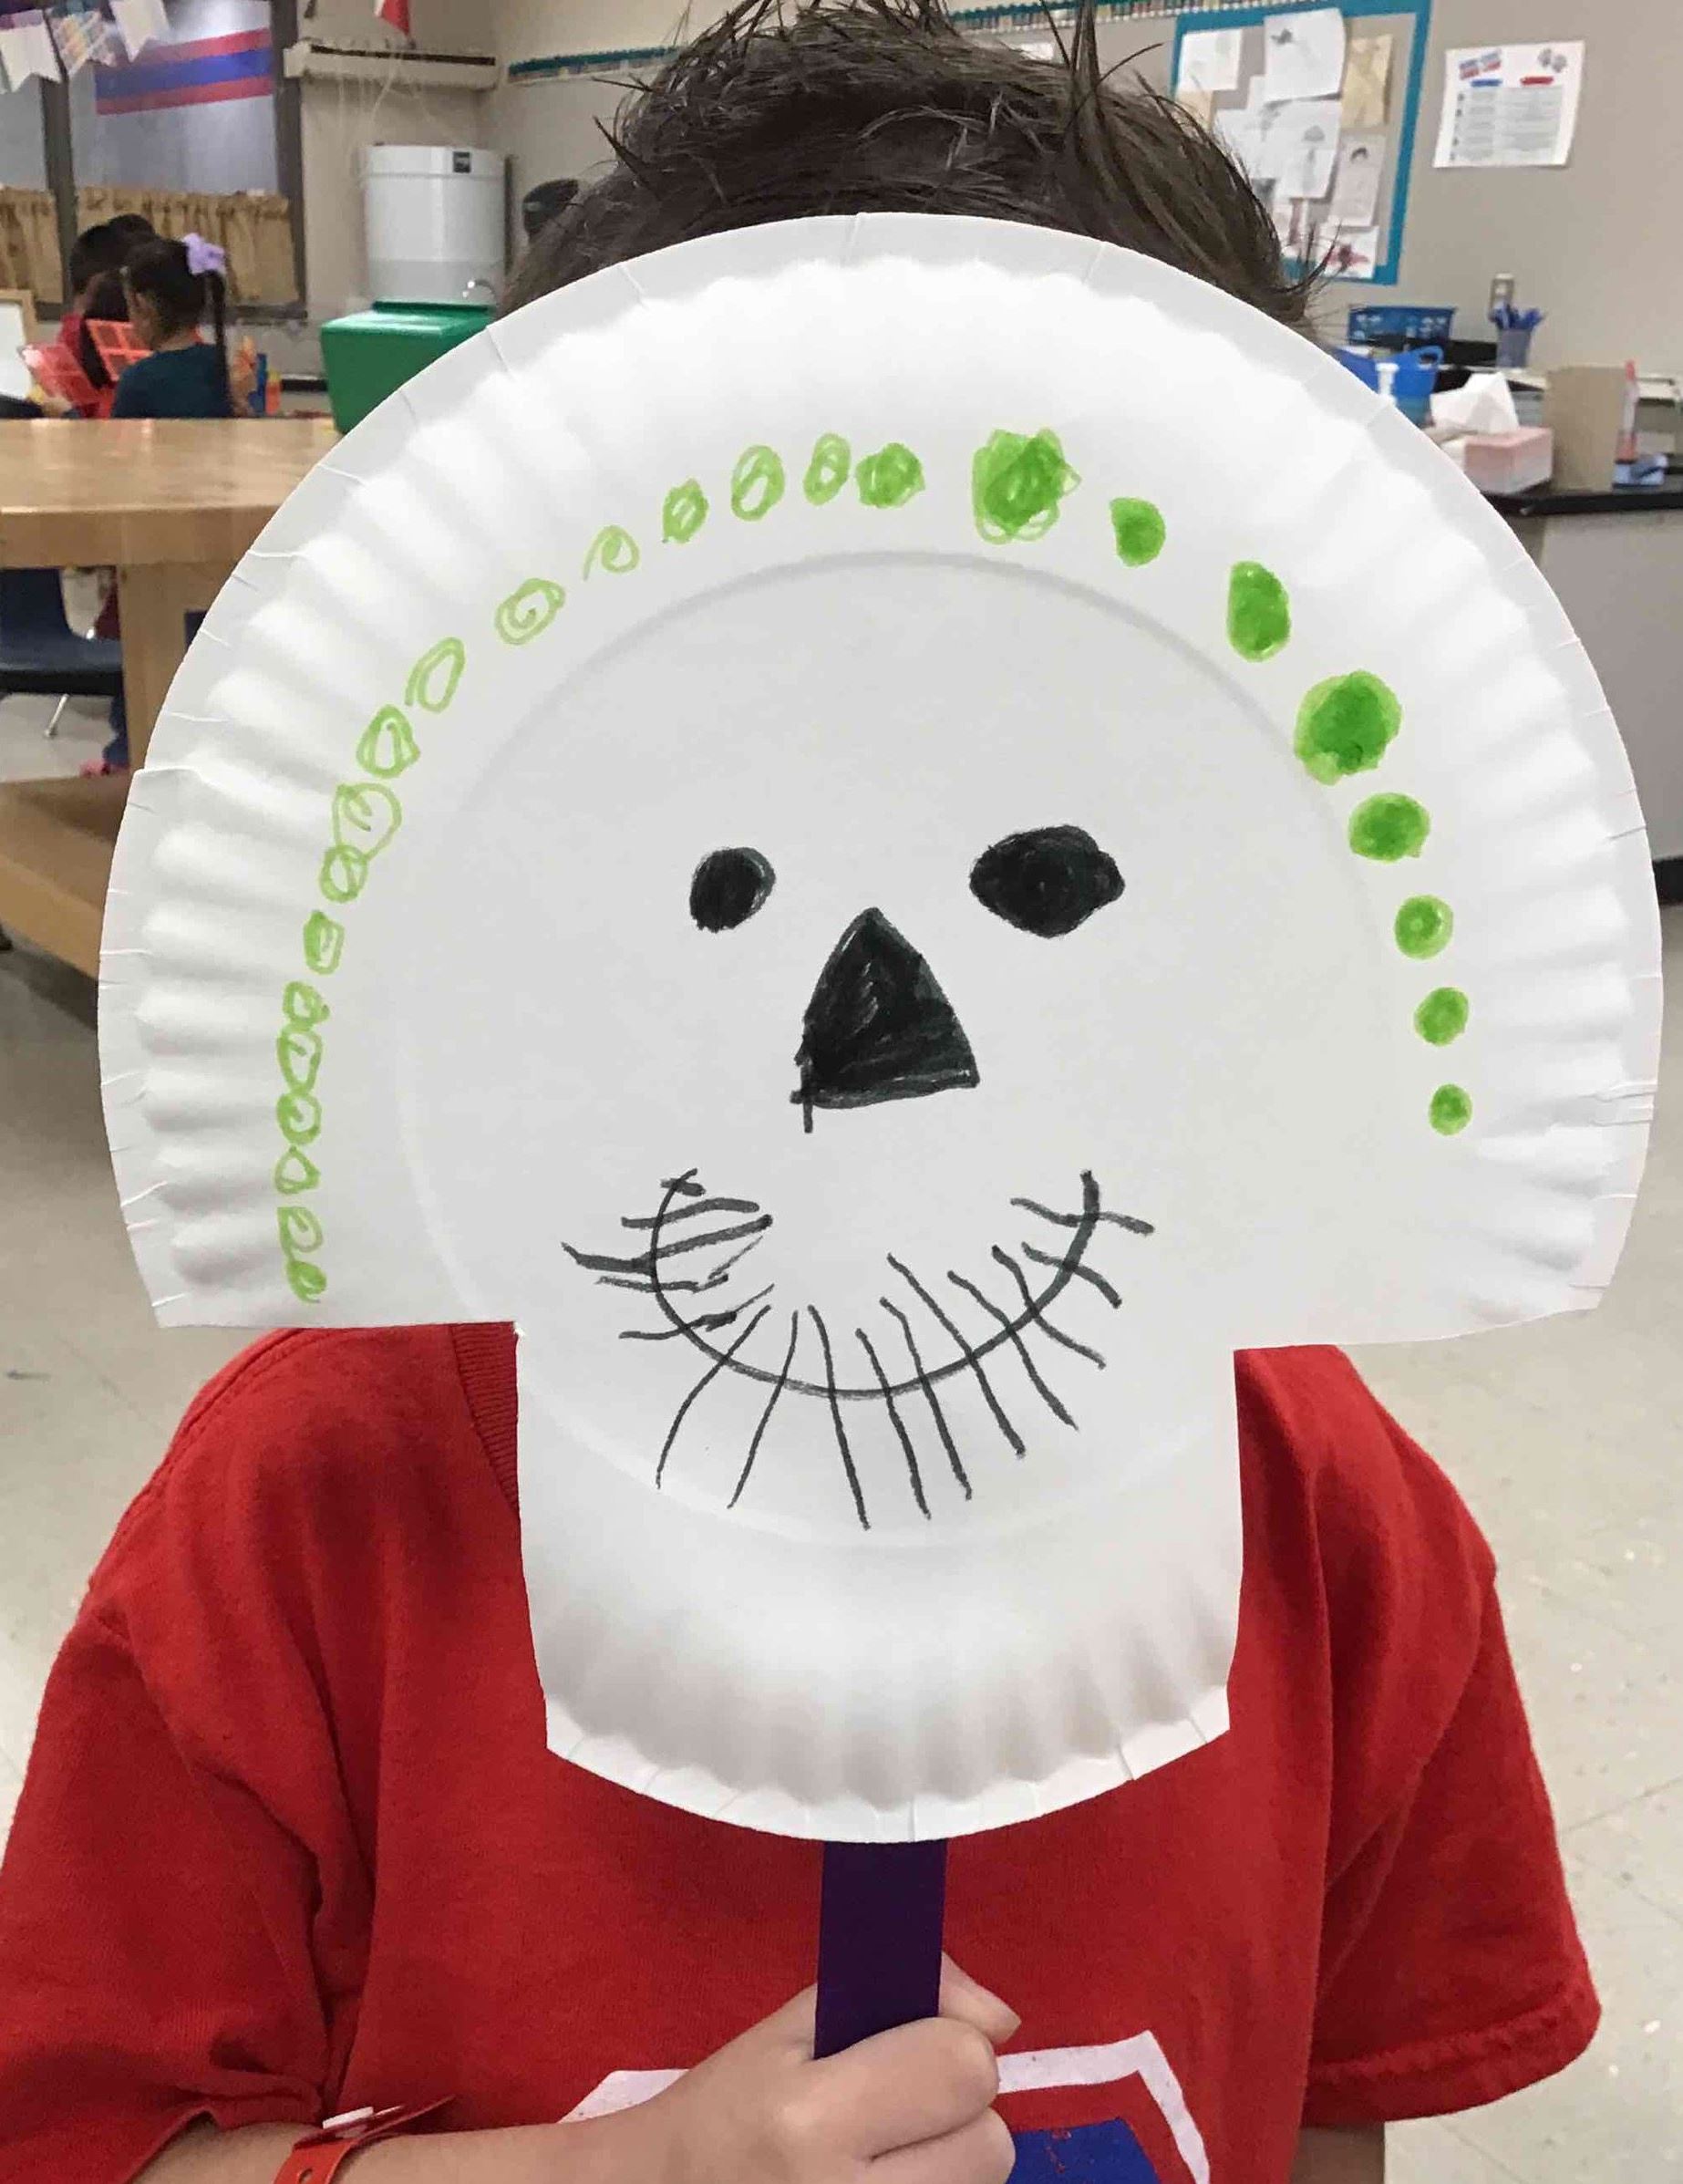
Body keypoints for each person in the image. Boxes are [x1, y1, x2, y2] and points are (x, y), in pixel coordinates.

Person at [0, 6, 1597, 2181]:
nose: (875, 1049)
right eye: (722, 875)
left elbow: (1324, 2111)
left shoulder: (1334, 1538)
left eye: (1044, 866)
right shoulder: (313, 1516)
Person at [109, 233, 234, 421]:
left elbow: (120, 439)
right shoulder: (220, 362)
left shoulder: (137, 381)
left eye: (129, 306)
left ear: (144, 307)